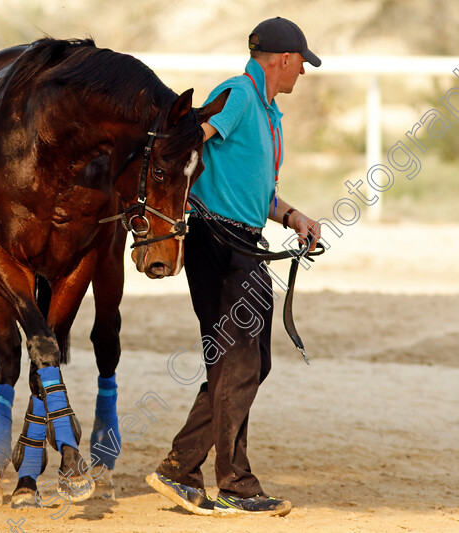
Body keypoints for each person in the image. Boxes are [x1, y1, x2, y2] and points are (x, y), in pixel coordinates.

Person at [145, 16, 323, 517]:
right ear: (282, 60)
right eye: (301, 64)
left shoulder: (269, 115)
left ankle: (182, 471)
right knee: (242, 362)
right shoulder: (240, 95)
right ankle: (232, 485)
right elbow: (187, 139)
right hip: (219, 243)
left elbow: (255, 191)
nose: (303, 74)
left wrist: (291, 216)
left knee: (238, 364)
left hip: (241, 240)